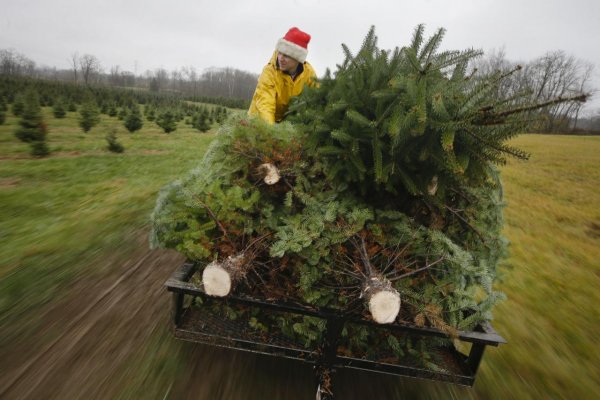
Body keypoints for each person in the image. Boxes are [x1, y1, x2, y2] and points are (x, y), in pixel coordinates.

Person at [248, 27, 317, 124]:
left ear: (298, 59)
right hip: (260, 123)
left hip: (285, 125)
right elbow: (265, 106)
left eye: (287, 55)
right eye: (280, 53)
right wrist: (271, 132)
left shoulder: (308, 73)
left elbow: (318, 96)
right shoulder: (269, 72)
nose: (281, 58)